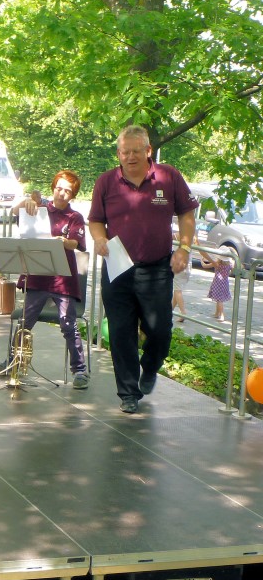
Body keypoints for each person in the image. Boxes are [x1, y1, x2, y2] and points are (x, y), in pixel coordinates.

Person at [88, 124, 197, 414]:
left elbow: (187, 213)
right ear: (118, 153)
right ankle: (128, 392)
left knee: (159, 330)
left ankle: (150, 367)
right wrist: (99, 238)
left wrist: (184, 248)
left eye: (136, 151)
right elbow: (96, 219)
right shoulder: (106, 181)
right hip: (117, 267)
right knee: (121, 332)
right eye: (125, 152)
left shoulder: (168, 176)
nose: (130, 157)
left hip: (157, 268)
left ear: (148, 150)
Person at [10, 170, 89, 389]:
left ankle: (79, 370)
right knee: (25, 322)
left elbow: (75, 244)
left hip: (63, 277)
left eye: (67, 191)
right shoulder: (41, 208)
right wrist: (26, 201)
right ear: (53, 188)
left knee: (68, 324)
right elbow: (15, 212)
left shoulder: (75, 216)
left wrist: (62, 241)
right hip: (37, 274)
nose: (62, 193)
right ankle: (13, 362)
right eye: (59, 188)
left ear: (73, 195)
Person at [204, 246, 234, 322]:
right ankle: (217, 313)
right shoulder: (229, 264)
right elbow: (234, 270)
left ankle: (221, 315)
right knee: (219, 299)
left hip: (217, 282)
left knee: (219, 300)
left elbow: (205, 266)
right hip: (225, 282)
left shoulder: (217, 263)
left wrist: (202, 261)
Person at [171, 232, 192, 323]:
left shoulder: (176, 235)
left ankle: (183, 312)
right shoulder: (192, 236)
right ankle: (169, 310)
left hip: (179, 265)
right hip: (188, 266)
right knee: (177, 290)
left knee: (177, 290)